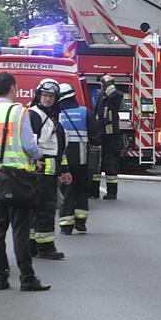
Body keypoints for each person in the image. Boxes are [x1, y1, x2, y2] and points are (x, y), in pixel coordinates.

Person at [0, 72, 51, 292]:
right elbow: (29, 145)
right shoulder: (18, 112)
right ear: (12, 87)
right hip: (17, 176)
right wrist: (38, 157)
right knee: (20, 228)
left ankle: (1, 278)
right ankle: (27, 278)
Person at [28, 78, 70, 260]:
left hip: (51, 171)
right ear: (38, 96)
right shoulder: (34, 115)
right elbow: (29, 143)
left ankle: (36, 245)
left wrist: (64, 169)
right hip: (38, 171)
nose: (47, 99)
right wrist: (35, 161)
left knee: (45, 208)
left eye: (51, 96)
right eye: (44, 95)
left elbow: (59, 148)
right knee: (42, 209)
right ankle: (43, 247)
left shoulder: (53, 117)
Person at [57, 82, 97, 235]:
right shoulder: (85, 112)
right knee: (81, 189)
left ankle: (66, 225)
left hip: (64, 158)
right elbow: (95, 137)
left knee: (67, 189)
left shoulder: (57, 114)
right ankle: (81, 222)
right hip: (83, 158)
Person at [95, 75, 126, 200]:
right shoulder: (101, 99)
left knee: (111, 166)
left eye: (104, 85)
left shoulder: (115, 97)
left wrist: (109, 84)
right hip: (100, 136)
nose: (102, 88)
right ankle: (93, 192)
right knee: (95, 165)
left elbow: (116, 96)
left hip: (112, 138)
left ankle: (112, 193)